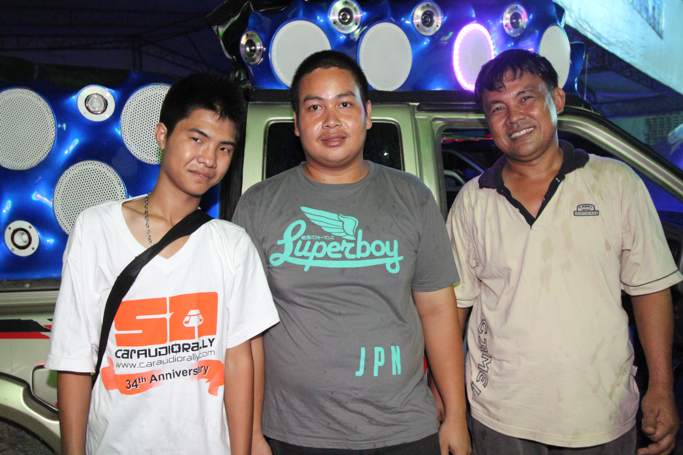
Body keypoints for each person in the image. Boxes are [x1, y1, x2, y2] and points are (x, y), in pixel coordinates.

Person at [233, 50, 470, 455]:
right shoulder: (258, 205)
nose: (330, 120)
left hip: (403, 428)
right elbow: (244, 335)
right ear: (296, 123)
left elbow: (437, 311)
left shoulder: (411, 196)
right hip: (294, 433)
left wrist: (456, 416)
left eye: (344, 104)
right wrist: (251, 435)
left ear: (367, 114)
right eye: (314, 107)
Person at [447, 49, 681, 455]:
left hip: (601, 413)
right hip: (501, 416)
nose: (513, 117)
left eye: (526, 98)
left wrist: (661, 387)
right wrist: (450, 404)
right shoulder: (473, 200)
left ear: (556, 99)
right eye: (497, 107)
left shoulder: (614, 182)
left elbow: (649, 289)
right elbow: (454, 310)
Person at [47, 73, 279, 455]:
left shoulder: (232, 244)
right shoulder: (96, 230)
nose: (209, 159)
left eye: (224, 148)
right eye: (197, 139)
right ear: (162, 135)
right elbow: (74, 359)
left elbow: (240, 361)